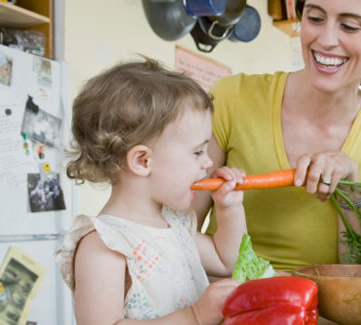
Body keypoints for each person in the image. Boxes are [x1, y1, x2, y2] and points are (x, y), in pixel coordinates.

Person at [193, 0, 361, 272]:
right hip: (227, 301)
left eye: (349, 26)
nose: (326, 40)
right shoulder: (232, 98)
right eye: (315, 18)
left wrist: (350, 190)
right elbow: (177, 229)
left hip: (327, 310)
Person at [55, 58, 247, 324]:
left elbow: (227, 262)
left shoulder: (176, 226)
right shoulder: (105, 245)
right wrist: (194, 316)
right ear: (143, 161)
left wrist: (230, 208)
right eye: (197, 152)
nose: (208, 162)